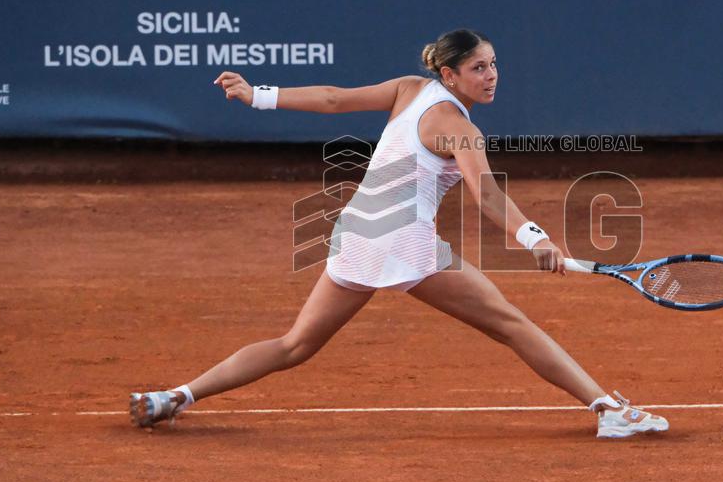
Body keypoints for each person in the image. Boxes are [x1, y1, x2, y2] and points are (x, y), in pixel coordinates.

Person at [129, 29, 668, 439]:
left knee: (295, 344)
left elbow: (333, 98)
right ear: (452, 76)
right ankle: (608, 410)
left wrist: (258, 95)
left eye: (494, 65)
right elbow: (487, 195)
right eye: (479, 67)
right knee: (512, 325)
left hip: (357, 231)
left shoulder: (409, 90)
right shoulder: (461, 128)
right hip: (403, 240)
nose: (491, 75)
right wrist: (535, 239)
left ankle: (174, 396)